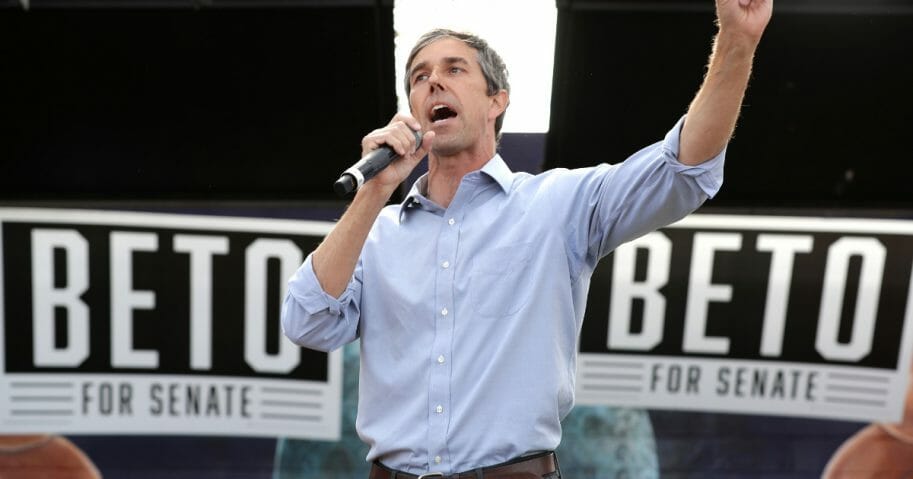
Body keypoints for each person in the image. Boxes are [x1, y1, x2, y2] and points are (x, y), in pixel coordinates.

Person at [282, 1, 773, 477]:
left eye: (455, 70)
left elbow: (683, 170)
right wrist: (375, 192)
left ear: (498, 100)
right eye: (419, 76)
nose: (433, 80)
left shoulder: (557, 204)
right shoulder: (378, 235)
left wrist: (737, 43)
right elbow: (307, 322)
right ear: (411, 110)